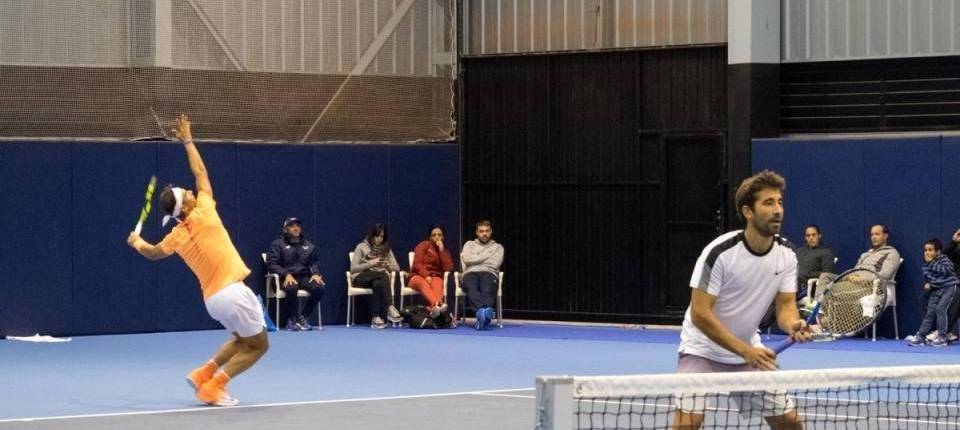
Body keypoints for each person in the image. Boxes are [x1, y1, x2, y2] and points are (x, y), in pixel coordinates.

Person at [127, 114, 268, 407]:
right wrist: (188, 140)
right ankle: (214, 387)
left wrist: (137, 242)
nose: (191, 191)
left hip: (212, 300)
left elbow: (153, 253)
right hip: (231, 292)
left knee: (243, 340)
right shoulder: (204, 210)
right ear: (186, 204)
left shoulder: (175, 237)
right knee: (259, 346)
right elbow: (201, 173)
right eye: (186, 193)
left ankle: (204, 373)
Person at [672, 170, 811, 430]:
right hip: (701, 350)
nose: (778, 209)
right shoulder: (720, 254)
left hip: (748, 352)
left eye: (780, 202)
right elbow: (700, 314)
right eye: (768, 203)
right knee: (687, 424)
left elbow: (785, 306)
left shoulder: (787, 255)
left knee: (790, 422)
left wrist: (793, 324)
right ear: (748, 211)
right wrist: (745, 351)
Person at [266, 217, 325, 331]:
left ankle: (303, 316)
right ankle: (291, 319)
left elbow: (314, 262)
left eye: (297, 226)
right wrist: (286, 274)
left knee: (319, 288)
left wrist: (316, 273)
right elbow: (272, 264)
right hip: (284, 278)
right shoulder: (277, 245)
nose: (296, 228)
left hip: (303, 277)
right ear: (285, 229)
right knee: (291, 287)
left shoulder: (308, 245)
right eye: (292, 226)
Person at [905, 239, 958, 347]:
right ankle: (921, 336)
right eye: (925, 250)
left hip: (949, 287)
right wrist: (929, 283)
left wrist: (931, 263)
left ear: (938, 252)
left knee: (940, 309)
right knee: (930, 313)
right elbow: (929, 276)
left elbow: (946, 270)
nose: (927, 253)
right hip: (936, 289)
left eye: (930, 250)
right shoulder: (926, 265)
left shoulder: (944, 259)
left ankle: (942, 337)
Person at [350, 223, 402, 329]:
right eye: (376, 236)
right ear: (371, 235)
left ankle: (375, 317)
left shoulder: (386, 249)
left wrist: (389, 266)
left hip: (377, 278)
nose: (379, 239)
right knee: (382, 275)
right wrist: (371, 263)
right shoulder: (361, 246)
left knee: (378, 283)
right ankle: (390, 307)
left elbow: (397, 268)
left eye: (382, 236)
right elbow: (353, 268)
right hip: (360, 277)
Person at [460, 220, 504, 330]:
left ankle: (481, 316)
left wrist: (476, 258)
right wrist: (486, 256)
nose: (484, 233)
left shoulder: (498, 247)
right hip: (470, 272)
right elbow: (467, 259)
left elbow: (494, 264)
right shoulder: (469, 244)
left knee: (487, 289)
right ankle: (484, 313)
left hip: (489, 272)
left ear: (491, 232)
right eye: (481, 231)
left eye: (487, 231)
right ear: (477, 232)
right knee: (471, 287)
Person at [408, 225, 454, 319]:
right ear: (430, 237)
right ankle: (438, 305)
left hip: (435, 276)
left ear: (443, 237)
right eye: (434, 235)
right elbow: (417, 264)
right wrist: (426, 275)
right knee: (422, 283)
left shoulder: (445, 251)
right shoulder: (423, 245)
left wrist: (441, 251)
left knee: (438, 282)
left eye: (439, 235)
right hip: (417, 276)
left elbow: (448, 268)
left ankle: (435, 308)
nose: (437, 237)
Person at [795, 224, 835, 302]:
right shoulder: (800, 251)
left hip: (807, 286)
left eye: (813, 235)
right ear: (805, 238)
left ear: (819, 236)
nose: (811, 238)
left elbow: (827, 274)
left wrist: (807, 273)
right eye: (808, 235)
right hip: (792, 282)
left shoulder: (826, 252)